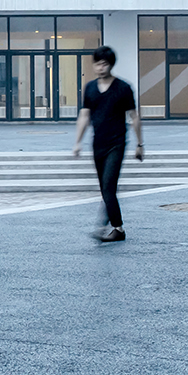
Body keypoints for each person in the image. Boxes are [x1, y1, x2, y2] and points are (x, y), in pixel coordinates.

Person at [70, 45, 143, 241]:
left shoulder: (123, 88)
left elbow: (134, 117)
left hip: (116, 143)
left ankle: (117, 228)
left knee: (109, 186)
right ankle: (107, 224)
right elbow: (84, 115)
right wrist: (77, 142)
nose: (100, 68)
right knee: (105, 187)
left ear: (111, 65)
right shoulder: (90, 88)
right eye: (97, 64)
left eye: (104, 64)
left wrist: (139, 144)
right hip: (98, 144)